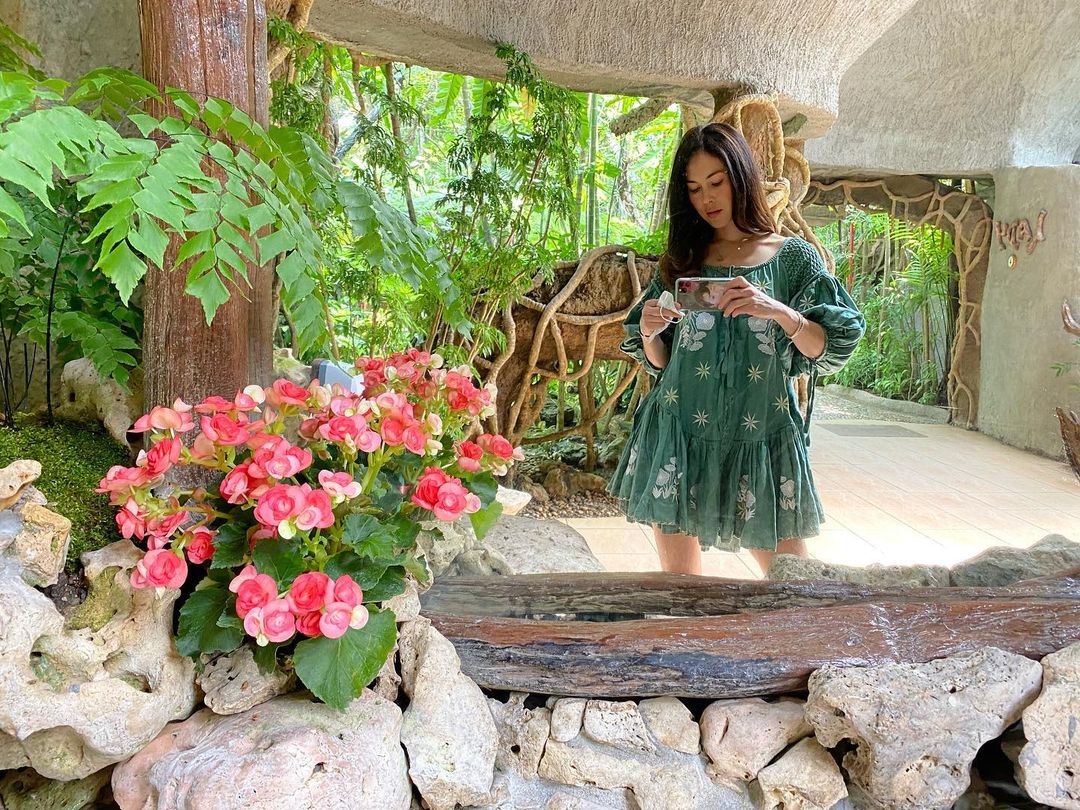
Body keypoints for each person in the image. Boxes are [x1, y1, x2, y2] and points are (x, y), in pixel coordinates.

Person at [607, 122, 866, 576]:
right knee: (682, 592)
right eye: (693, 189)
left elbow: (832, 345)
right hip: (679, 434)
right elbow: (662, 362)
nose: (706, 199)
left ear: (741, 177)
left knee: (793, 586)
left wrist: (780, 312)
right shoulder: (682, 259)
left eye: (716, 182)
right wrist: (648, 332)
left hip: (762, 436)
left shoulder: (792, 258)